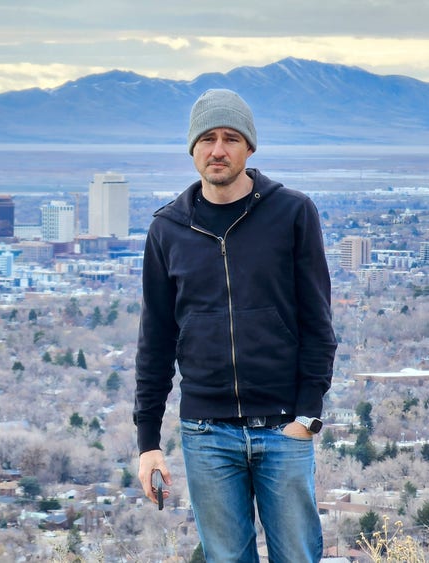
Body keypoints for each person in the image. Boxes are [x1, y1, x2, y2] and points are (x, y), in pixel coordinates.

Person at [133, 88, 337, 562]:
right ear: (193, 148)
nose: (218, 150)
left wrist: (307, 415)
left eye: (230, 138)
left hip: (284, 427)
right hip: (206, 432)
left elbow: (318, 323)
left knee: (298, 556)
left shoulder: (291, 213)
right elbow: (155, 342)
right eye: (207, 139)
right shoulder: (167, 229)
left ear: (249, 147)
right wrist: (148, 443)